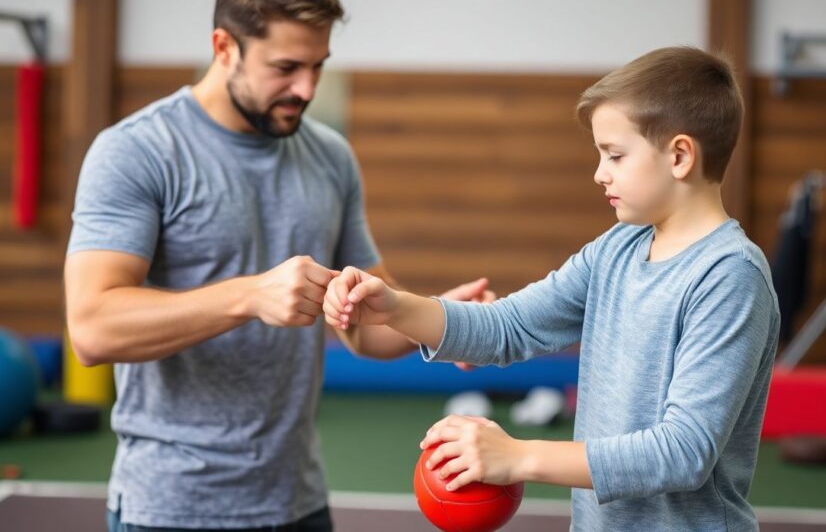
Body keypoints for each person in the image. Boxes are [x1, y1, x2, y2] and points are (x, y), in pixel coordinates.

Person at [63, 0, 491, 531]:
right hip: (171, 508)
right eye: (286, 66)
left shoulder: (329, 156)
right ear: (224, 48)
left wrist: (442, 321)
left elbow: (364, 325)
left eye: (318, 66)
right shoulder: (137, 151)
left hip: (298, 502)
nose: (306, 88)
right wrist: (248, 297)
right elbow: (91, 328)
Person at [324, 46, 781, 532]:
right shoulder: (618, 249)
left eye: (616, 155)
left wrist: (519, 457)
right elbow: (509, 325)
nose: (600, 172)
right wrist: (393, 308)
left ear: (680, 156)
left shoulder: (729, 276)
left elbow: (683, 452)